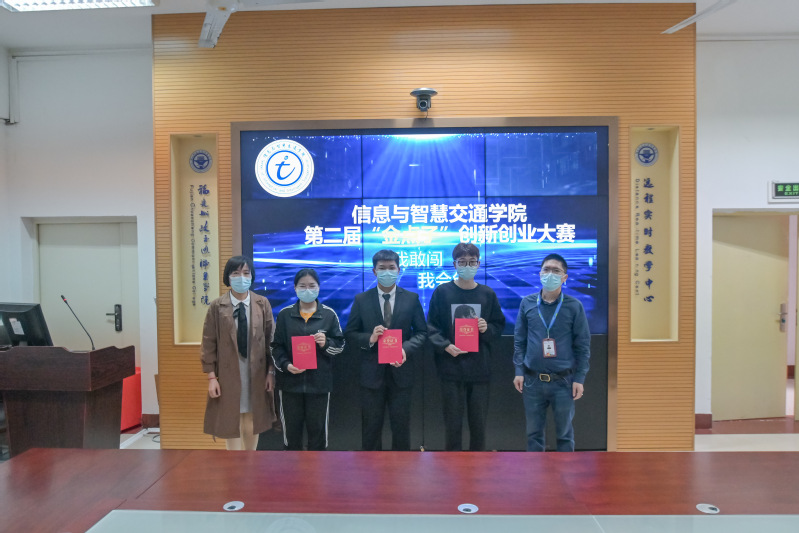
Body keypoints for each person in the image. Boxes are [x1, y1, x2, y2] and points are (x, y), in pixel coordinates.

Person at [344, 249, 428, 451]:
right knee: (371, 429)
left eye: (391, 267)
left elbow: (422, 332)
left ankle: (401, 469)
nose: (387, 272)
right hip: (371, 374)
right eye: (382, 268)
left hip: (401, 372)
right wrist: (370, 338)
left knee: (401, 428)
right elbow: (350, 333)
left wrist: (405, 349)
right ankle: (371, 469)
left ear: (399, 270)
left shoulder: (411, 298)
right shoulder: (362, 300)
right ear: (374, 271)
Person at [427, 242, 505, 451]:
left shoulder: (487, 294)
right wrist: (445, 346)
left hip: (480, 369)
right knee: (452, 426)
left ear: (478, 264)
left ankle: (477, 467)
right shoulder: (442, 292)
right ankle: (452, 467)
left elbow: (498, 326)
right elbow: (431, 327)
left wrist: (486, 328)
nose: (467, 266)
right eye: (462, 262)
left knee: (478, 427)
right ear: (454, 264)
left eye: (472, 262)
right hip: (451, 368)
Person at [513, 253, 590, 452]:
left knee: (565, 436)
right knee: (534, 436)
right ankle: (535, 472)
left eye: (556, 271)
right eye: (546, 269)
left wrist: (579, 379)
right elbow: (519, 342)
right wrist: (519, 371)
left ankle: (566, 473)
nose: (550, 274)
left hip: (563, 382)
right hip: (532, 381)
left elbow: (582, 346)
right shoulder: (527, 303)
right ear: (540, 274)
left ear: (565, 277)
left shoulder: (574, 306)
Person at [201, 255, 277, 450]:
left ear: (252, 276)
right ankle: (234, 463)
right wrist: (212, 378)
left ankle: (250, 462)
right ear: (228, 276)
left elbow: (271, 340)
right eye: (235, 273)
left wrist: (271, 371)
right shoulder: (217, 306)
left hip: (256, 372)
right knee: (231, 419)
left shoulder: (262, 303)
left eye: (246, 273)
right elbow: (209, 343)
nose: (241, 277)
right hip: (228, 373)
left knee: (252, 418)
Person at [271, 268, 345, 450]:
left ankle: (317, 468)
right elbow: (275, 347)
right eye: (302, 286)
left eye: (312, 286)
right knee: (291, 437)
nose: (307, 290)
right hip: (290, 385)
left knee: (317, 437)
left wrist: (326, 343)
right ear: (295, 288)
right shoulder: (285, 315)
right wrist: (286, 365)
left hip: (319, 385)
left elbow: (340, 345)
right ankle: (292, 467)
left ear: (319, 287)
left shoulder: (329, 315)